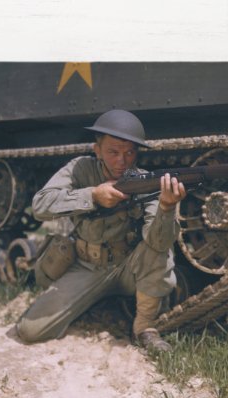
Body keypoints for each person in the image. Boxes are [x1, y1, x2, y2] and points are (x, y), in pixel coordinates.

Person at [16, 110, 186, 352]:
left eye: (129, 153)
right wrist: (92, 195)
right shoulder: (80, 169)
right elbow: (40, 205)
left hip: (129, 267)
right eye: (113, 152)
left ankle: (144, 327)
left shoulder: (146, 182)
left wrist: (167, 208)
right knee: (30, 331)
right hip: (85, 265)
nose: (122, 161)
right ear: (97, 151)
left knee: (157, 250)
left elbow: (159, 243)